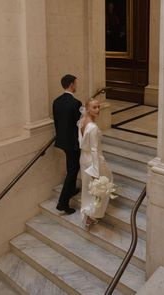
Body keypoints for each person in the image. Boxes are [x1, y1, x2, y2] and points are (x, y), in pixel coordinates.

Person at [78, 98, 113, 227]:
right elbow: (93, 149)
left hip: (83, 158)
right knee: (102, 186)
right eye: (94, 107)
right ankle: (92, 215)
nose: (98, 110)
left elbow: (81, 142)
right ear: (87, 108)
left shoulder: (81, 121)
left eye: (98, 107)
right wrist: (96, 171)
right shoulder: (92, 127)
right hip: (93, 159)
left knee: (88, 188)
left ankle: (87, 213)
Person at [53, 74, 82, 214]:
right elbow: (79, 125)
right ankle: (62, 203)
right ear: (71, 85)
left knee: (72, 167)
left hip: (62, 141)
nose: (76, 86)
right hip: (73, 143)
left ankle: (71, 189)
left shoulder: (56, 101)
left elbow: (57, 123)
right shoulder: (76, 103)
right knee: (72, 170)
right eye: (76, 83)